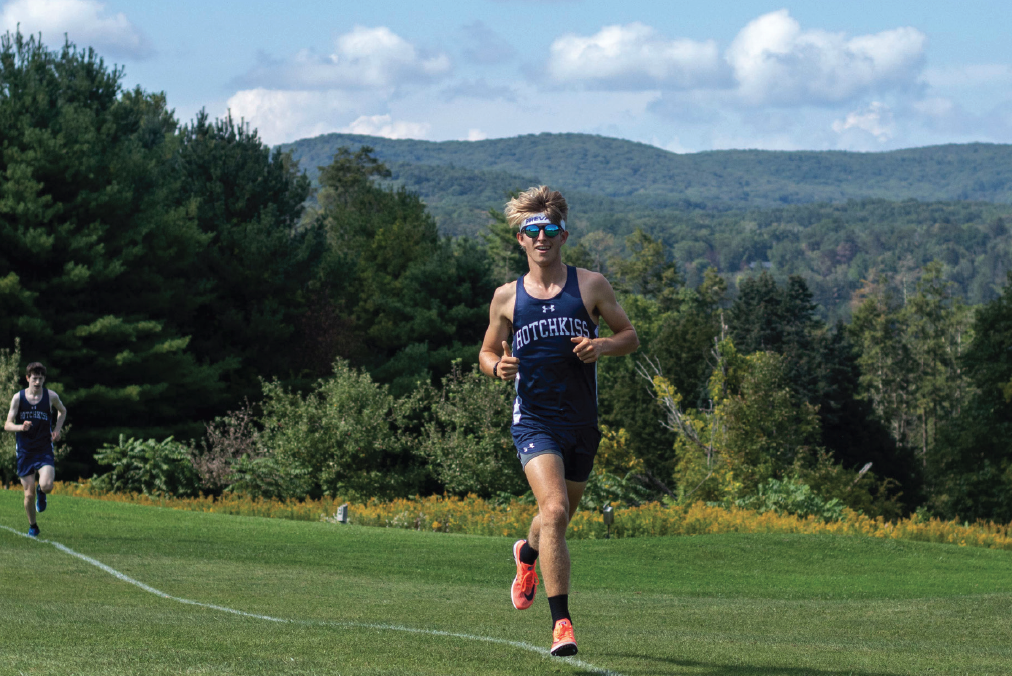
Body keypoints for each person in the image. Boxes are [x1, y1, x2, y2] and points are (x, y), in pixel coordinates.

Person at [479, 186, 639, 656]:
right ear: (520, 239)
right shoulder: (506, 298)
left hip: (581, 424)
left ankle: (526, 554)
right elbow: (487, 352)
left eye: (550, 229)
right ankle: (562, 624)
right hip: (534, 420)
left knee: (558, 520)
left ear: (563, 234)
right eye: (533, 230)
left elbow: (628, 336)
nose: (542, 237)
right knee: (553, 511)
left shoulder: (591, 286)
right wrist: (497, 368)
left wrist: (602, 346)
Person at [4, 362, 67, 537]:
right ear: (27, 378)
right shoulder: (18, 398)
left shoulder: (50, 396)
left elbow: (62, 411)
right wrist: (20, 427)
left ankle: (42, 492)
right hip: (25, 451)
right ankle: (33, 525)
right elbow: (7, 425)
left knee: (47, 485)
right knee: (28, 494)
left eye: (40, 378)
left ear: (44, 379)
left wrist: (57, 430)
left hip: (44, 448)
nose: (37, 382)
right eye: (34, 378)